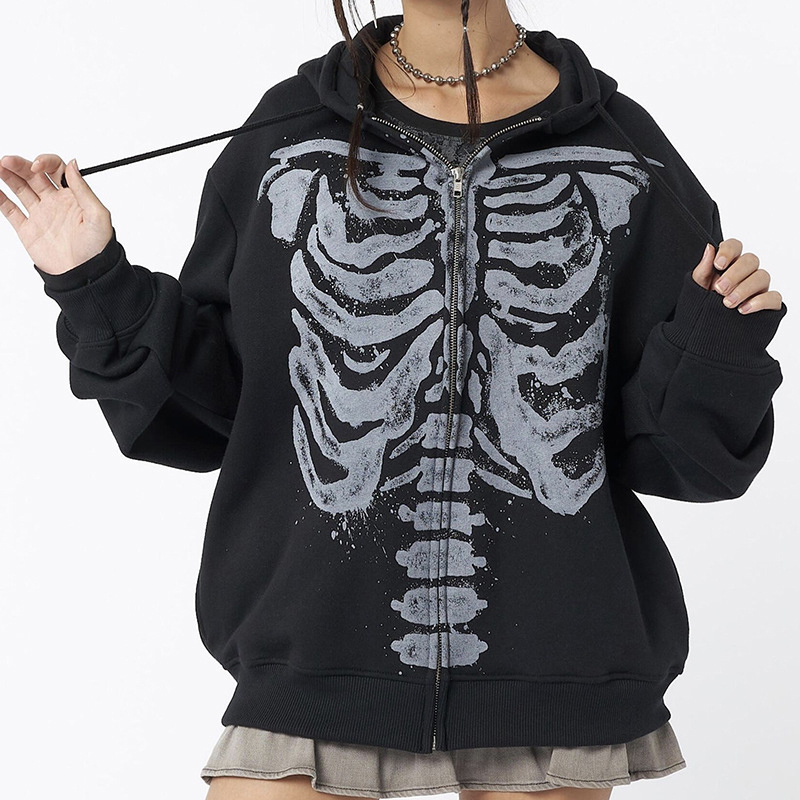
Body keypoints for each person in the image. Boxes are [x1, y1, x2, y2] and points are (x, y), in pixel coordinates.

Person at [0, 1, 788, 799]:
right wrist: (92, 279)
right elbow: (219, 410)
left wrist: (721, 339)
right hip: (313, 650)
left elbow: (673, 455)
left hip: (560, 666)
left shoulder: (621, 146)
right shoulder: (286, 132)